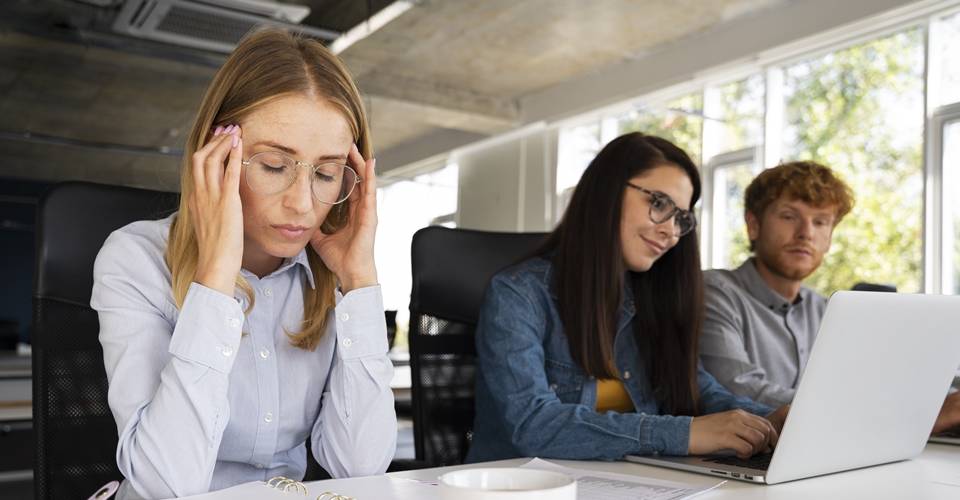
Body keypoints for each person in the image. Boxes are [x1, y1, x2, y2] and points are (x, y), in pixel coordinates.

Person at [91, 29, 395, 499]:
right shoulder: (135, 259)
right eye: (274, 165)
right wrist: (214, 281)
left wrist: (360, 283)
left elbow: (361, 467)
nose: (301, 203)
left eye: (327, 173)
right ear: (216, 156)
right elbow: (164, 485)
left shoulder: (328, 273)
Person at [466, 132, 788, 464]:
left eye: (681, 218)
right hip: (522, 486)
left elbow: (700, 392)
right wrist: (685, 433)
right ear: (606, 193)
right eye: (658, 203)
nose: (671, 231)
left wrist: (771, 420)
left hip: (624, 483)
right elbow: (534, 425)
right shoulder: (518, 294)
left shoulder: (651, 298)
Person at [699, 161, 960, 433]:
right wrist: (900, 414)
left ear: (830, 238)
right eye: (789, 216)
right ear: (753, 225)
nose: (806, 233)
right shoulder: (715, 292)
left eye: (821, 222)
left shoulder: (827, 309)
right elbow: (738, 388)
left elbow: (884, 377)